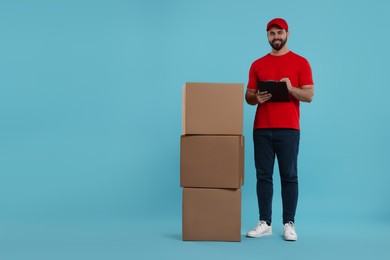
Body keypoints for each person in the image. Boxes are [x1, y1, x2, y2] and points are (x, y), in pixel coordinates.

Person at [245, 18, 314, 241]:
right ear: (267, 36)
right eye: (271, 33)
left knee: (289, 176)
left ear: (287, 34)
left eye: (279, 32)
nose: (276, 37)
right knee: (263, 176)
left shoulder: (301, 62)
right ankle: (264, 222)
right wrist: (257, 97)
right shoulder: (257, 64)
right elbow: (248, 97)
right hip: (262, 128)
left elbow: (309, 95)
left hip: (289, 129)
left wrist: (290, 88)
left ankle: (289, 224)